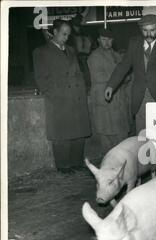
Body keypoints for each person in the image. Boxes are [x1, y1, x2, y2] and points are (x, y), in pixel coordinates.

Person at [105, 14, 156, 135]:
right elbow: (123, 66)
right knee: (142, 136)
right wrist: (111, 85)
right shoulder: (134, 43)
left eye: (152, 30)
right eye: (145, 30)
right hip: (140, 98)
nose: (148, 34)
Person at [33, 19, 91, 174]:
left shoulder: (72, 50)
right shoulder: (41, 52)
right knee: (62, 134)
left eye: (68, 35)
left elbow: (79, 73)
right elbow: (41, 79)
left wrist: (83, 91)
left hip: (76, 97)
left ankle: (76, 163)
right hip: (59, 99)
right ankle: (64, 166)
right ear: (55, 32)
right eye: (64, 34)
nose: (66, 37)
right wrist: (55, 95)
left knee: (78, 133)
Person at [87, 28, 133, 155]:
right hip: (105, 103)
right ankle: (108, 168)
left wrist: (123, 77)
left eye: (109, 40)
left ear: (113, 41)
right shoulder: (94, 57)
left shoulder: (117, 55)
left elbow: (127, 75)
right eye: (103, 39)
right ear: (98, 40)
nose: (107, 42)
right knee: (107, 138)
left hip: (119, 101)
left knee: (122, 137)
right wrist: (120, 77)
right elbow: (99, 77)